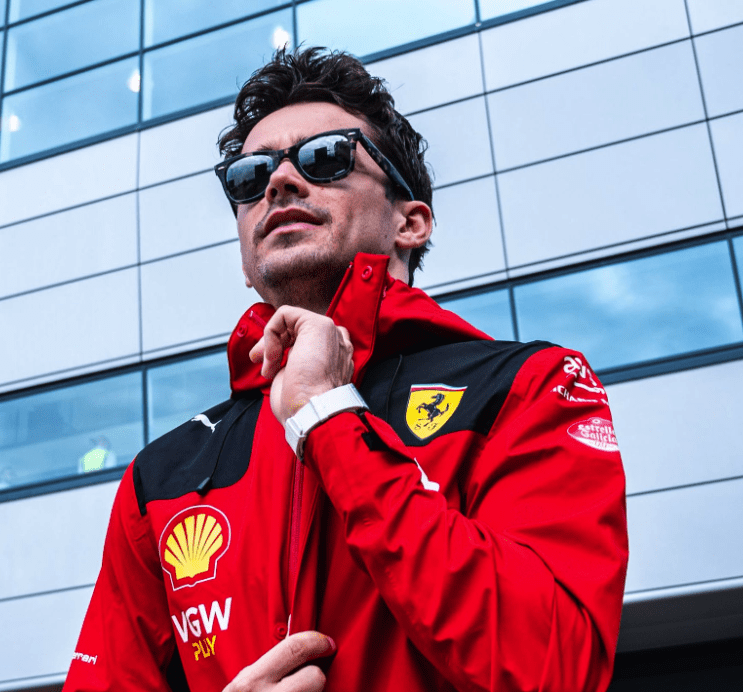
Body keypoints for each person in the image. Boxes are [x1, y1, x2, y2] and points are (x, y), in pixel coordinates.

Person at [64, 47, 627, 692]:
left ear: (409, 222)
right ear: (245, 252)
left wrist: (328, 415)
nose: (277, 183)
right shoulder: (162, 476)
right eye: (249, 178)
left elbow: (557, 668)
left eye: (324, 157)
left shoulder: (529, 387)